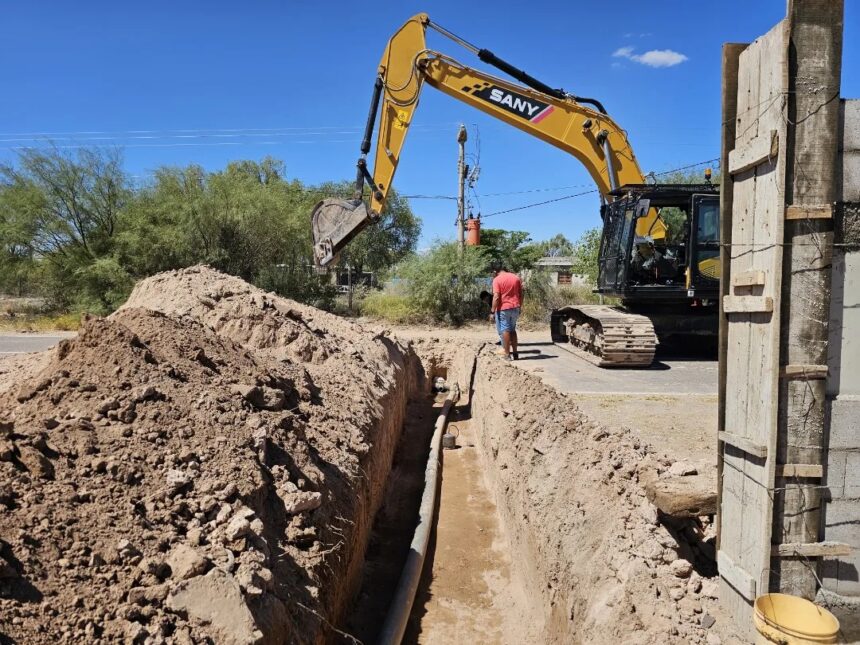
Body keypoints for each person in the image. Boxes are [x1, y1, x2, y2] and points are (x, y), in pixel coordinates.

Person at [489, 261, 522, 360]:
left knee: (505, 330)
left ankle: (507, 354)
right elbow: (521, 294)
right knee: (512, 330)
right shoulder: (516, 277)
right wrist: (520, 306)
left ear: (495, 271)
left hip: (503, 309)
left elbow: (496, 297)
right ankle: (515, 353)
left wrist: (492, 311)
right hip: (515, 307)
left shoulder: (497, 280)